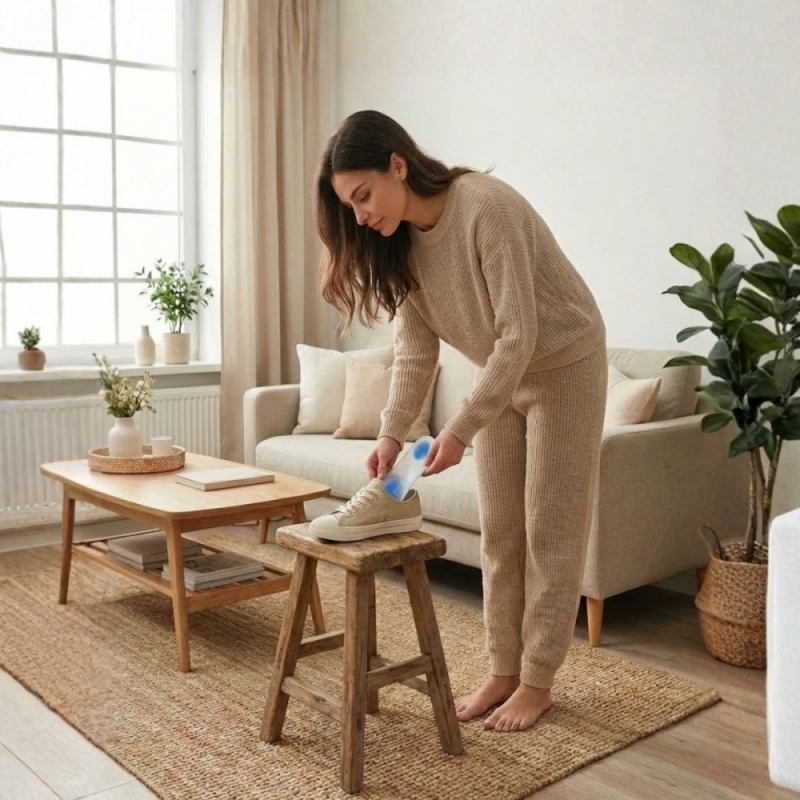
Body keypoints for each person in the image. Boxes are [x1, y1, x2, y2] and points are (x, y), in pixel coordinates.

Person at [314, 110, 607, 733]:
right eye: (349, 206)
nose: (360, 216)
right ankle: (502, 669)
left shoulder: (486, 208)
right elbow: (415, 352)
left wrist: (460, 428)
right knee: (500, 530)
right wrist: (391, 433)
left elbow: (519, 335)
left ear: (398, 165)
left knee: (549, 529)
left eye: (363, 196)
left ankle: (537, 682)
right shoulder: (401, 244)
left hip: (564, 363)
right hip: (502, 372)